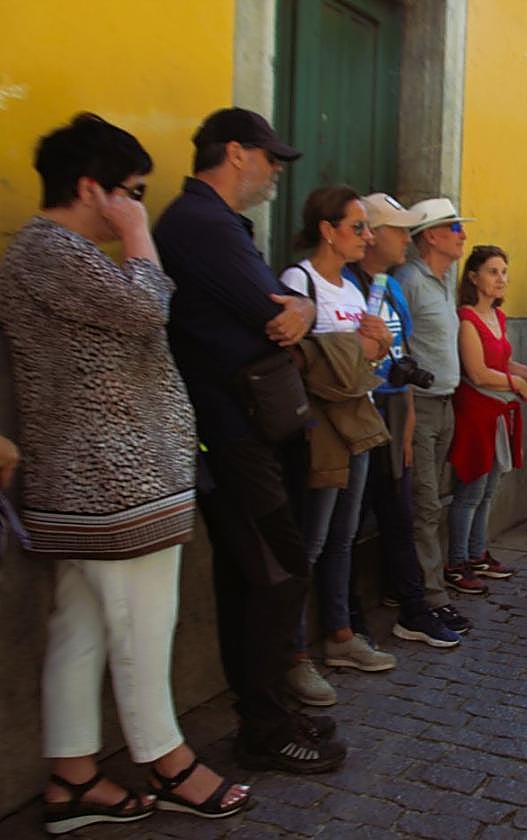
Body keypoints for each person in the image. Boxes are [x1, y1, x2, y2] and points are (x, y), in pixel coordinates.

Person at [0, 114, 250, 834]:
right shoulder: (51, 251)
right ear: (91, 188)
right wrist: (140, 235)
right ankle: (168, 763)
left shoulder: (55, 254)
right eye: (131, 193)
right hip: (110, 484)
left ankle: (72, 777)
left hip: (102, 481)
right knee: (143, 628)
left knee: (79, 629)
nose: (138, 206)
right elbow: (147, 308)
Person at [157, 107, 346, 773]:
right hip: (230, 434)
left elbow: (288, 310)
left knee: (256, 573)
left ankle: (263, 715)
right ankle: (263, 728)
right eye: (270, 160)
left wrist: (304, 308)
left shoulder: (210, 223)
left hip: (241, 430)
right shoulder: (200, 223)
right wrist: (298, 309)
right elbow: (275, 315)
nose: (273, 174)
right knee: (280, 568)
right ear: (237, 153)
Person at [277, 187, 396, 706]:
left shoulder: (351, 289)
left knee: (343, 537)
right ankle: (293, 653)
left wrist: (379, 347)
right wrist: (361, 349)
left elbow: (366, 368)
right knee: (310, 541)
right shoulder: (298, 282)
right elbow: (300, 362)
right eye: (357, 227)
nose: (367, 237)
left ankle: (340, 635)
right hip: (317, 431)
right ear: (327, 230)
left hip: (357, 426)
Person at [346, 193, 462, 648]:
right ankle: (352, 619)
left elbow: (404, 353)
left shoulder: (403, 286)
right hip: (362, 408)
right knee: (360, 521)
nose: (395, 238)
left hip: (404, 405)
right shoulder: (398, 279)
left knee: (400, 510)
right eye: (395, 229)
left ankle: (414, 604)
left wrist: (409, 416)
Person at [396, 197, 485, 630]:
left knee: (432, 501)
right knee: (426, 503)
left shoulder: (443, 280)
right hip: (420, 407)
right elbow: (402, 349)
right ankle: (428, 596)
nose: (462, 235)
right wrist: (410, 409)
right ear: (430, 236)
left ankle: (427, 588)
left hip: (446, 404)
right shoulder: (408, 281)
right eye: (454, 228)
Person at [448, 246, 527, 585]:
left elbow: (502, 362)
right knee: (470, 489)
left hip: (498, 410)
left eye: (504, 271)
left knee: (489, 489)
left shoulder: (499, 318)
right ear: (473, 277)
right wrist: (515, 383)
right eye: (493, 271)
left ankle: (477, 554)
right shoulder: (467, 319)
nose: (501, 278)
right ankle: (456, 562)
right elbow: (476, 371)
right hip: (475, 411)